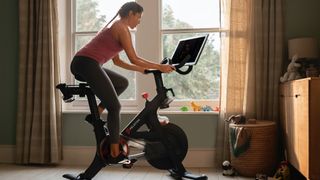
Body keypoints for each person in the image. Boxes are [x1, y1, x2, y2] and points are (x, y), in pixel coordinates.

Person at [70, 1, 175, 164]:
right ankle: (114, 150)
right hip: (85, 63)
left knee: (122, 82)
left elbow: (118, 62)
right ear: (131, 13)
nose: (139, 21)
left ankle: (96, 112)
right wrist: (159, 67)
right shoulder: (121, 28)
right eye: (139, 17)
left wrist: (141, 70)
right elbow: (134, 58)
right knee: (115, 107)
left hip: (88, 63)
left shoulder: (116, 27)